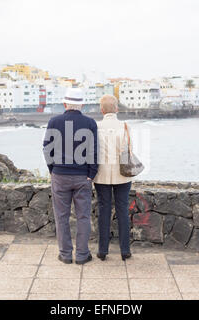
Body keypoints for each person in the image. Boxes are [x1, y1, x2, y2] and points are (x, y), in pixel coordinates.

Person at [43, 88, 98, 265]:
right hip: (83, 176)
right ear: (82, 104)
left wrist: (52, 169)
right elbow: (94, 151)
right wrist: (91, 174)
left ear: (65, 104)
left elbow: (47, 148)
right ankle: (82, 255)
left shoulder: (54, 121)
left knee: (61, 216)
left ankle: (65, 254)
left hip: (60, 174)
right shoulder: (90, 123)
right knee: (83, 217)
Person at [93, 95, 133, 261]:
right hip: (122, 175)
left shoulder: (95, 126)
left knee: (104, 210)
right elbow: (129, 150)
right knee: (123, 210)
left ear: (102, 110)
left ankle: (103, 250)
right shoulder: (124, 126)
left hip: (101, 174)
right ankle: (125, 250)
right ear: (116, 108)